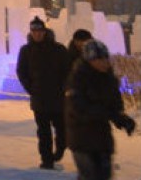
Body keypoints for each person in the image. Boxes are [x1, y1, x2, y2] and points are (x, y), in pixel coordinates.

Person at [66, 39, 136, 180]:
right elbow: (79, 108)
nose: (105, 62)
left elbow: (114, 106)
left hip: (102, 137)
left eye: (105, 58)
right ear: (89, 61)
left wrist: (122, 119)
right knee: (90, 176)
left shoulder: (109, 78)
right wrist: (107, 113)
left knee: (104, 175)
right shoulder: (77, 78)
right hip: (81, 138)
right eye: (99, 59)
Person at [16, 16, 69, 170]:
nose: (37, 34)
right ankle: (47, 159)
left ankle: (59, 150)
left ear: (45, 31)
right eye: (34, 31)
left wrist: (64, 87)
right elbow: (21, 71)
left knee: (61, 128)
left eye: (40, 31)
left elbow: (67, 69)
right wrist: (30, 88)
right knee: (43, 131)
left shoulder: (58, 49)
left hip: (58, 97)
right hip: (39, 98)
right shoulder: (26, 50)